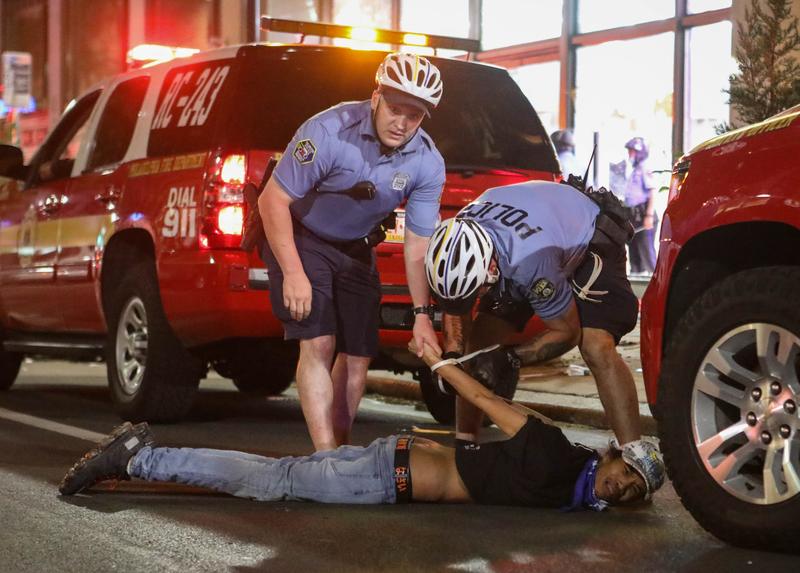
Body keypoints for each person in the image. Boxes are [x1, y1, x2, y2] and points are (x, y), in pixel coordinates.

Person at [58, 338, 664, 510]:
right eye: (628, 472)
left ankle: (143, 457)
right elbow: (489, 402)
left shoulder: (570, 487)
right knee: (271, 482)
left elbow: (472, 452)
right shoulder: (559, 456)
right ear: (612, 454)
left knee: (276, 475)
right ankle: (140, 457)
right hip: (384, 479)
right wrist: (442, 367)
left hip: (389, 461)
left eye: (633, 492)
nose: (623, 485)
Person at [257, 53, 445, 451]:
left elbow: (417, 246)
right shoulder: (327, 132)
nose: (402, 122)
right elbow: (272, 201)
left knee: (359, 354)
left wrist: (423, 317)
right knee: (320, 343)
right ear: (376, 97)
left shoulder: (427, 161)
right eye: (395, 108)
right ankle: (326, 459)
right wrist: (293, 273)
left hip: (357, 246)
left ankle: (341, 451)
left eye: (414, 115)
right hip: (303, 236)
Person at [425, 178, 664, 477]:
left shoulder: (531, 262)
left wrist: (508, 359)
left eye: (478, 291)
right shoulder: (457, 234)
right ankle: (466, 447)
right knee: (477, 349)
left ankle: (635, 453)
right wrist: (453, 356)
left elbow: (566, 333)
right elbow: (454, 308)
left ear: (490, 268)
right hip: (529, 236)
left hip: (587, 239)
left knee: (595, 345)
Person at [622, 137, 657, 275]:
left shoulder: (645, 168)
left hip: (643, 215)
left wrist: (648, 216)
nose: (630, 154)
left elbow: (652, 192)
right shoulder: (635, 169)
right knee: (635, 256)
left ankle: (656, 285)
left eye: (632, 151)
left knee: (647, 254)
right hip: (633, 217)